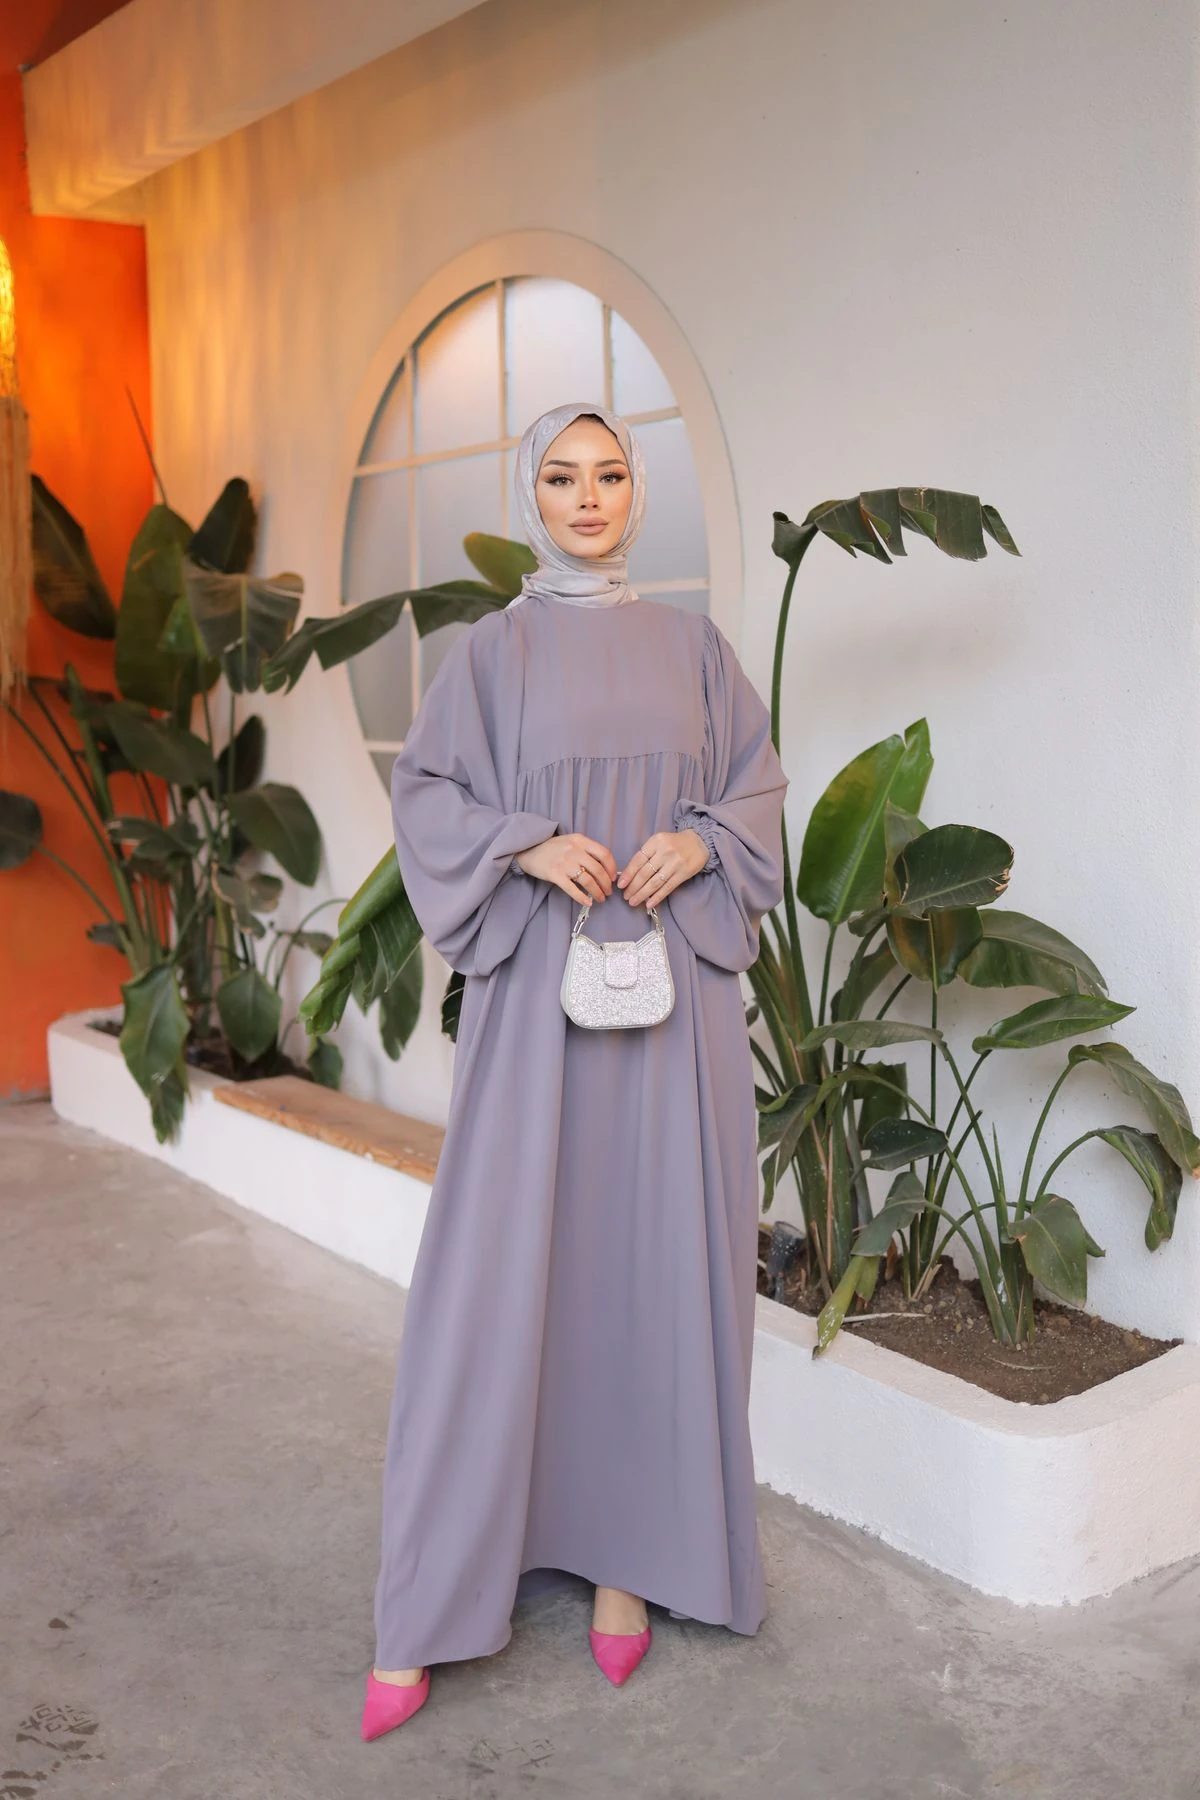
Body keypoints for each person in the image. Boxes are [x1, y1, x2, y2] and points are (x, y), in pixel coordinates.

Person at [361, 400, 789, 1742]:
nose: (588, 497)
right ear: (532, 495)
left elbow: (759, 794)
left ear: (635, 493)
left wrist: (701, 841)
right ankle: (433, 1597)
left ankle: (627, 1565)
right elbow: (429, 796)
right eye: (562, 476)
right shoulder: (493, 653)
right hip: (538, 1005)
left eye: (609, 475)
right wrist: (528, 843)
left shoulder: (696, 649)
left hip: (676, 1015)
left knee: (651, 1269)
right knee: (495, 1276)